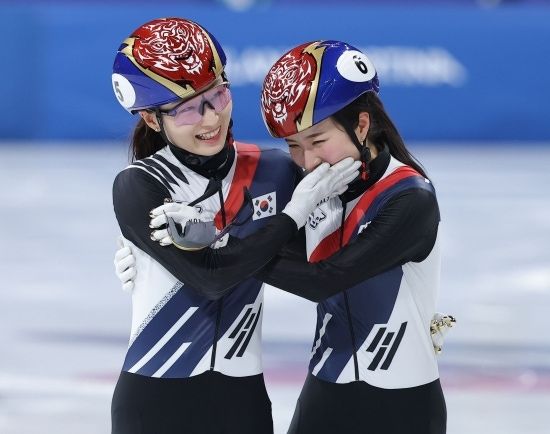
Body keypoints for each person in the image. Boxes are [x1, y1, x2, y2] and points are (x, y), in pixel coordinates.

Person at [115, 39, 450, 434]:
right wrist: (159, 257)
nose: (307, 161)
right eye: (293, 145)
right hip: (320, 399)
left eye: (318, 141)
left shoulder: (409, 198)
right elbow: (262, 250)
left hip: (401, 406)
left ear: (362, 125)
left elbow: (318, 278)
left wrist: (210, 241)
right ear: (153, 119)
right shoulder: (308, 186)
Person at [110, 18, 360, 434]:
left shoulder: (274, 170)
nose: (211, 118)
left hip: (241, 400)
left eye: (217, 95)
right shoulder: (140, 185)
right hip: (155, 399)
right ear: (152, 120)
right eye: (187, 108)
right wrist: (292, 215)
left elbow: (324, 266)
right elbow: (211, 280)